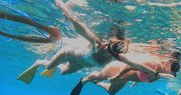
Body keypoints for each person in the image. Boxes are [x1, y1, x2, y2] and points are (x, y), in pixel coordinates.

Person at [17, 0, 163, 84]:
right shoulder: (97, 44)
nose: (112, 49)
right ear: (108, 41)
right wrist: (64, 9)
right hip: (68, 54)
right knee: (49, 66)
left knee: (63, 73)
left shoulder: (116, 54)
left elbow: (135, 64)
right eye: (112, 45)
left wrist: (155, 72)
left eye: (118, 47)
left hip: (80, 64)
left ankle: (53, 66)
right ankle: (39, 62)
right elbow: (80, 29)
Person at [70, 52, 181, 95]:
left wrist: (135, 82)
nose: (173, 71)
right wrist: (117, 76)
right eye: (174, 67)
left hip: (124, 78)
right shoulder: (153, 64)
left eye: (176, 69)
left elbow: (142, 75)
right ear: (166, 63)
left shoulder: (158, 75)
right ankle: (84, 80)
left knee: (111, 92)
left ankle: (98, 83)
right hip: (117, 69)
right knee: (98, 76)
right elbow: (129, 65)